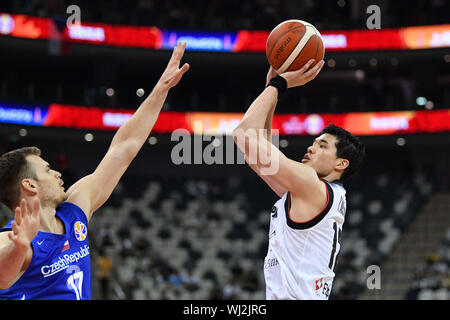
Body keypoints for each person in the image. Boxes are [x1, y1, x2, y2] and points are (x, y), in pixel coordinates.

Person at [0, 42, 190, 300]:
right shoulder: (12, 238)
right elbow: (3, 276)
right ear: (30, 185)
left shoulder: (74, 209)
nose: (57, 173)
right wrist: (18, 247)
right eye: (47, 169)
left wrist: (161, 89)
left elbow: (123, 148)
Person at [232, 59, 365, 300]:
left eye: (322, 145)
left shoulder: (311, 185)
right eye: (313, 143)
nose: (311, 148)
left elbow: (243, 134)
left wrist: (279, 84)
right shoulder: (315, 192)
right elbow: (257, 157)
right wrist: (270, 91)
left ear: (340, 163)